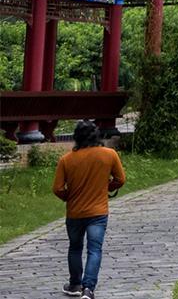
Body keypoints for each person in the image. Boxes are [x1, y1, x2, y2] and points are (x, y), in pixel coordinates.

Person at [50, 120, 124, 298]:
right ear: (97, 135)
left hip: (75, 212)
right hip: (98, 212)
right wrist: (107, 187)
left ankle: (75, 284)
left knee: (75, 248)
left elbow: (58, 188)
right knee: (94, 249)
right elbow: (120, 179)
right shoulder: (109, 154)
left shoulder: (66, 160)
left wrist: (70, 196)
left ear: (76, 137)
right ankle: (88, 288)